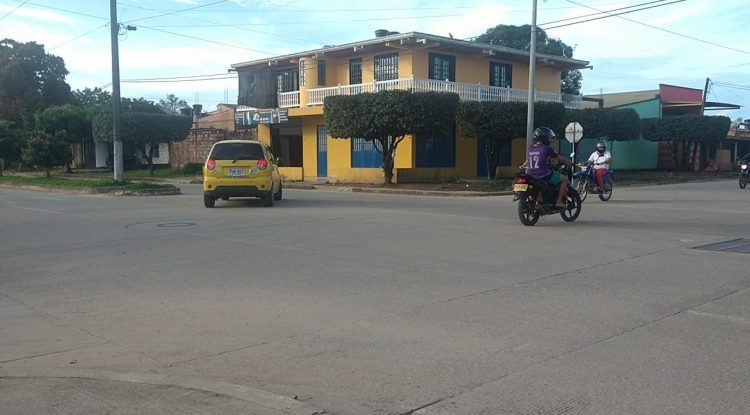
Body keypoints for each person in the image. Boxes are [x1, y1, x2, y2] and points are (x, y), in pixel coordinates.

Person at [523, 127, 572, 208]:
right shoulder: (546, 148)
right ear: (544, 138)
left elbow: (531, 159)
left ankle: (539, 198)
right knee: (565, 178)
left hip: (530, 175)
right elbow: (559, 158)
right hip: (543, 175)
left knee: (540, 183)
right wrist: (569, 162)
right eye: (548, 137)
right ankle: (558, 201)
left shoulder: (530, 148)